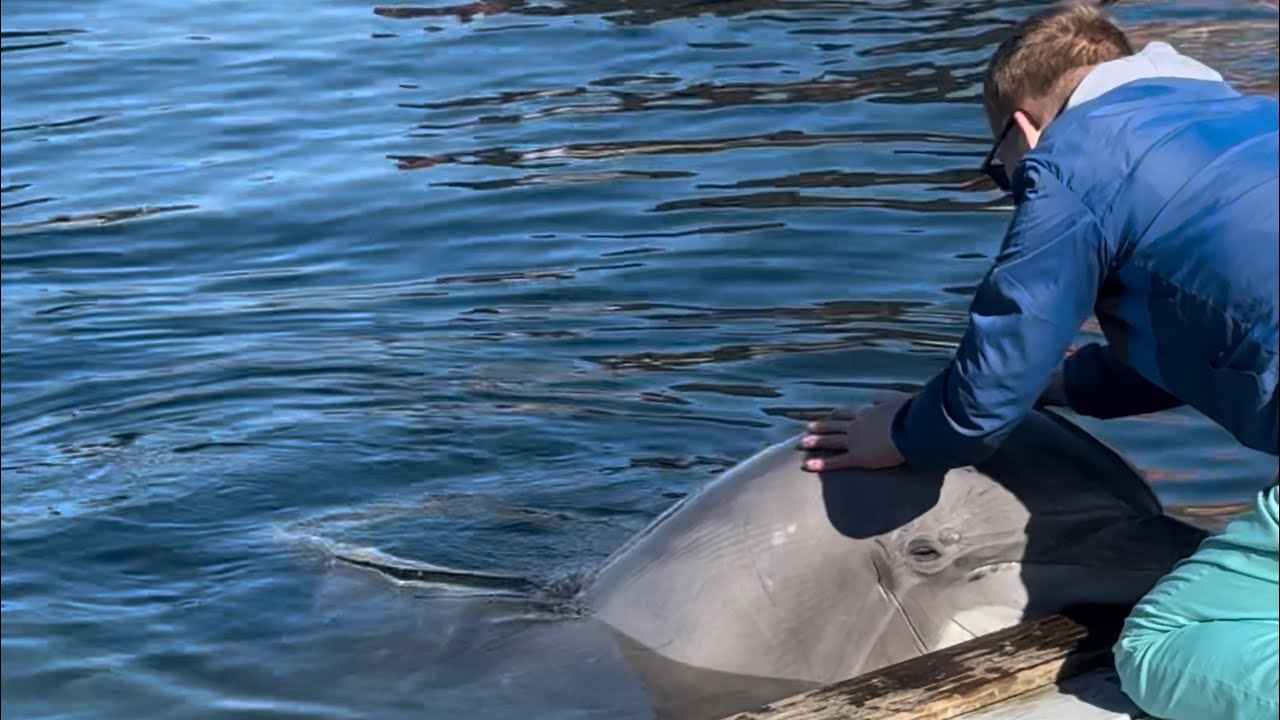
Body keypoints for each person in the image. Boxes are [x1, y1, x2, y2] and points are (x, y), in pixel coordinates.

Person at [796, 4, 1279, 720]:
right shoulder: (1245, 122)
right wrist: (1061, 385)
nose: (1015, 190)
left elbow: (984, 396)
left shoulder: (1073, 163)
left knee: (1164, 643)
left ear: (1022, 130)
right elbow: (1211, 329)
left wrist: (898, 438)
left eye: (1003, 176)